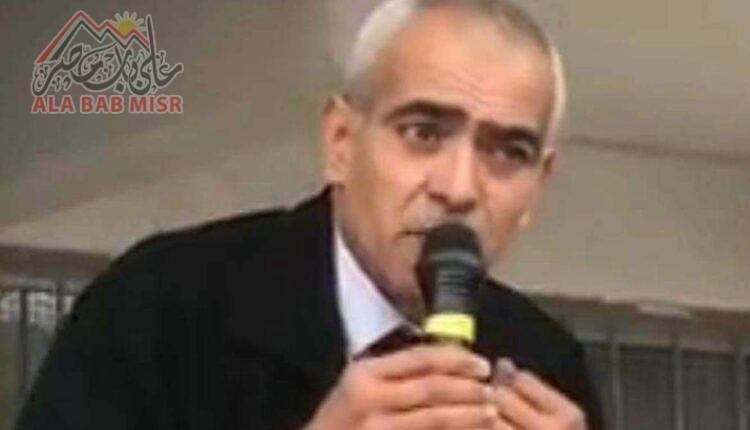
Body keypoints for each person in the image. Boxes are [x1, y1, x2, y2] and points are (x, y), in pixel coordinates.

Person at [17, 0, 603, 429]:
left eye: (508, 153)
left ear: (539, 186)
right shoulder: (159, 306)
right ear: (340, 143)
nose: (458, 188)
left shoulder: (548, 361)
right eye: (423, 132)